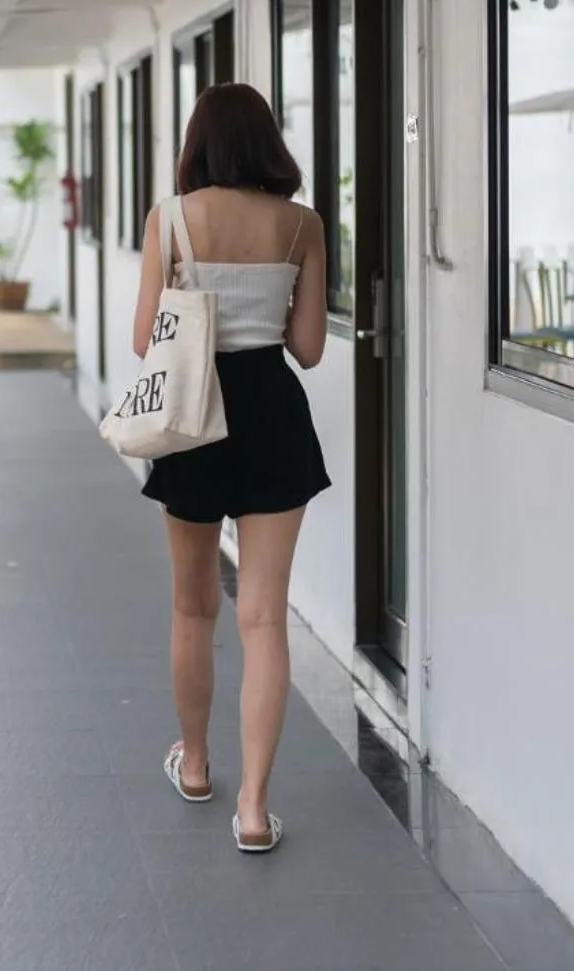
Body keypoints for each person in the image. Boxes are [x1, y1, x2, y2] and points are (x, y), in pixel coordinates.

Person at [131, 82, 331, 855]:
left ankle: (197, 765)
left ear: (199, 144)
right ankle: (253, 808)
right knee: (264, 618)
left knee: (192, 608)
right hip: (272, 416)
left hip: (191, 415)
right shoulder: (303, 224)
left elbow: (144, 336)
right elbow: (308, 348)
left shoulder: (170, 219)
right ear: (267, 143)